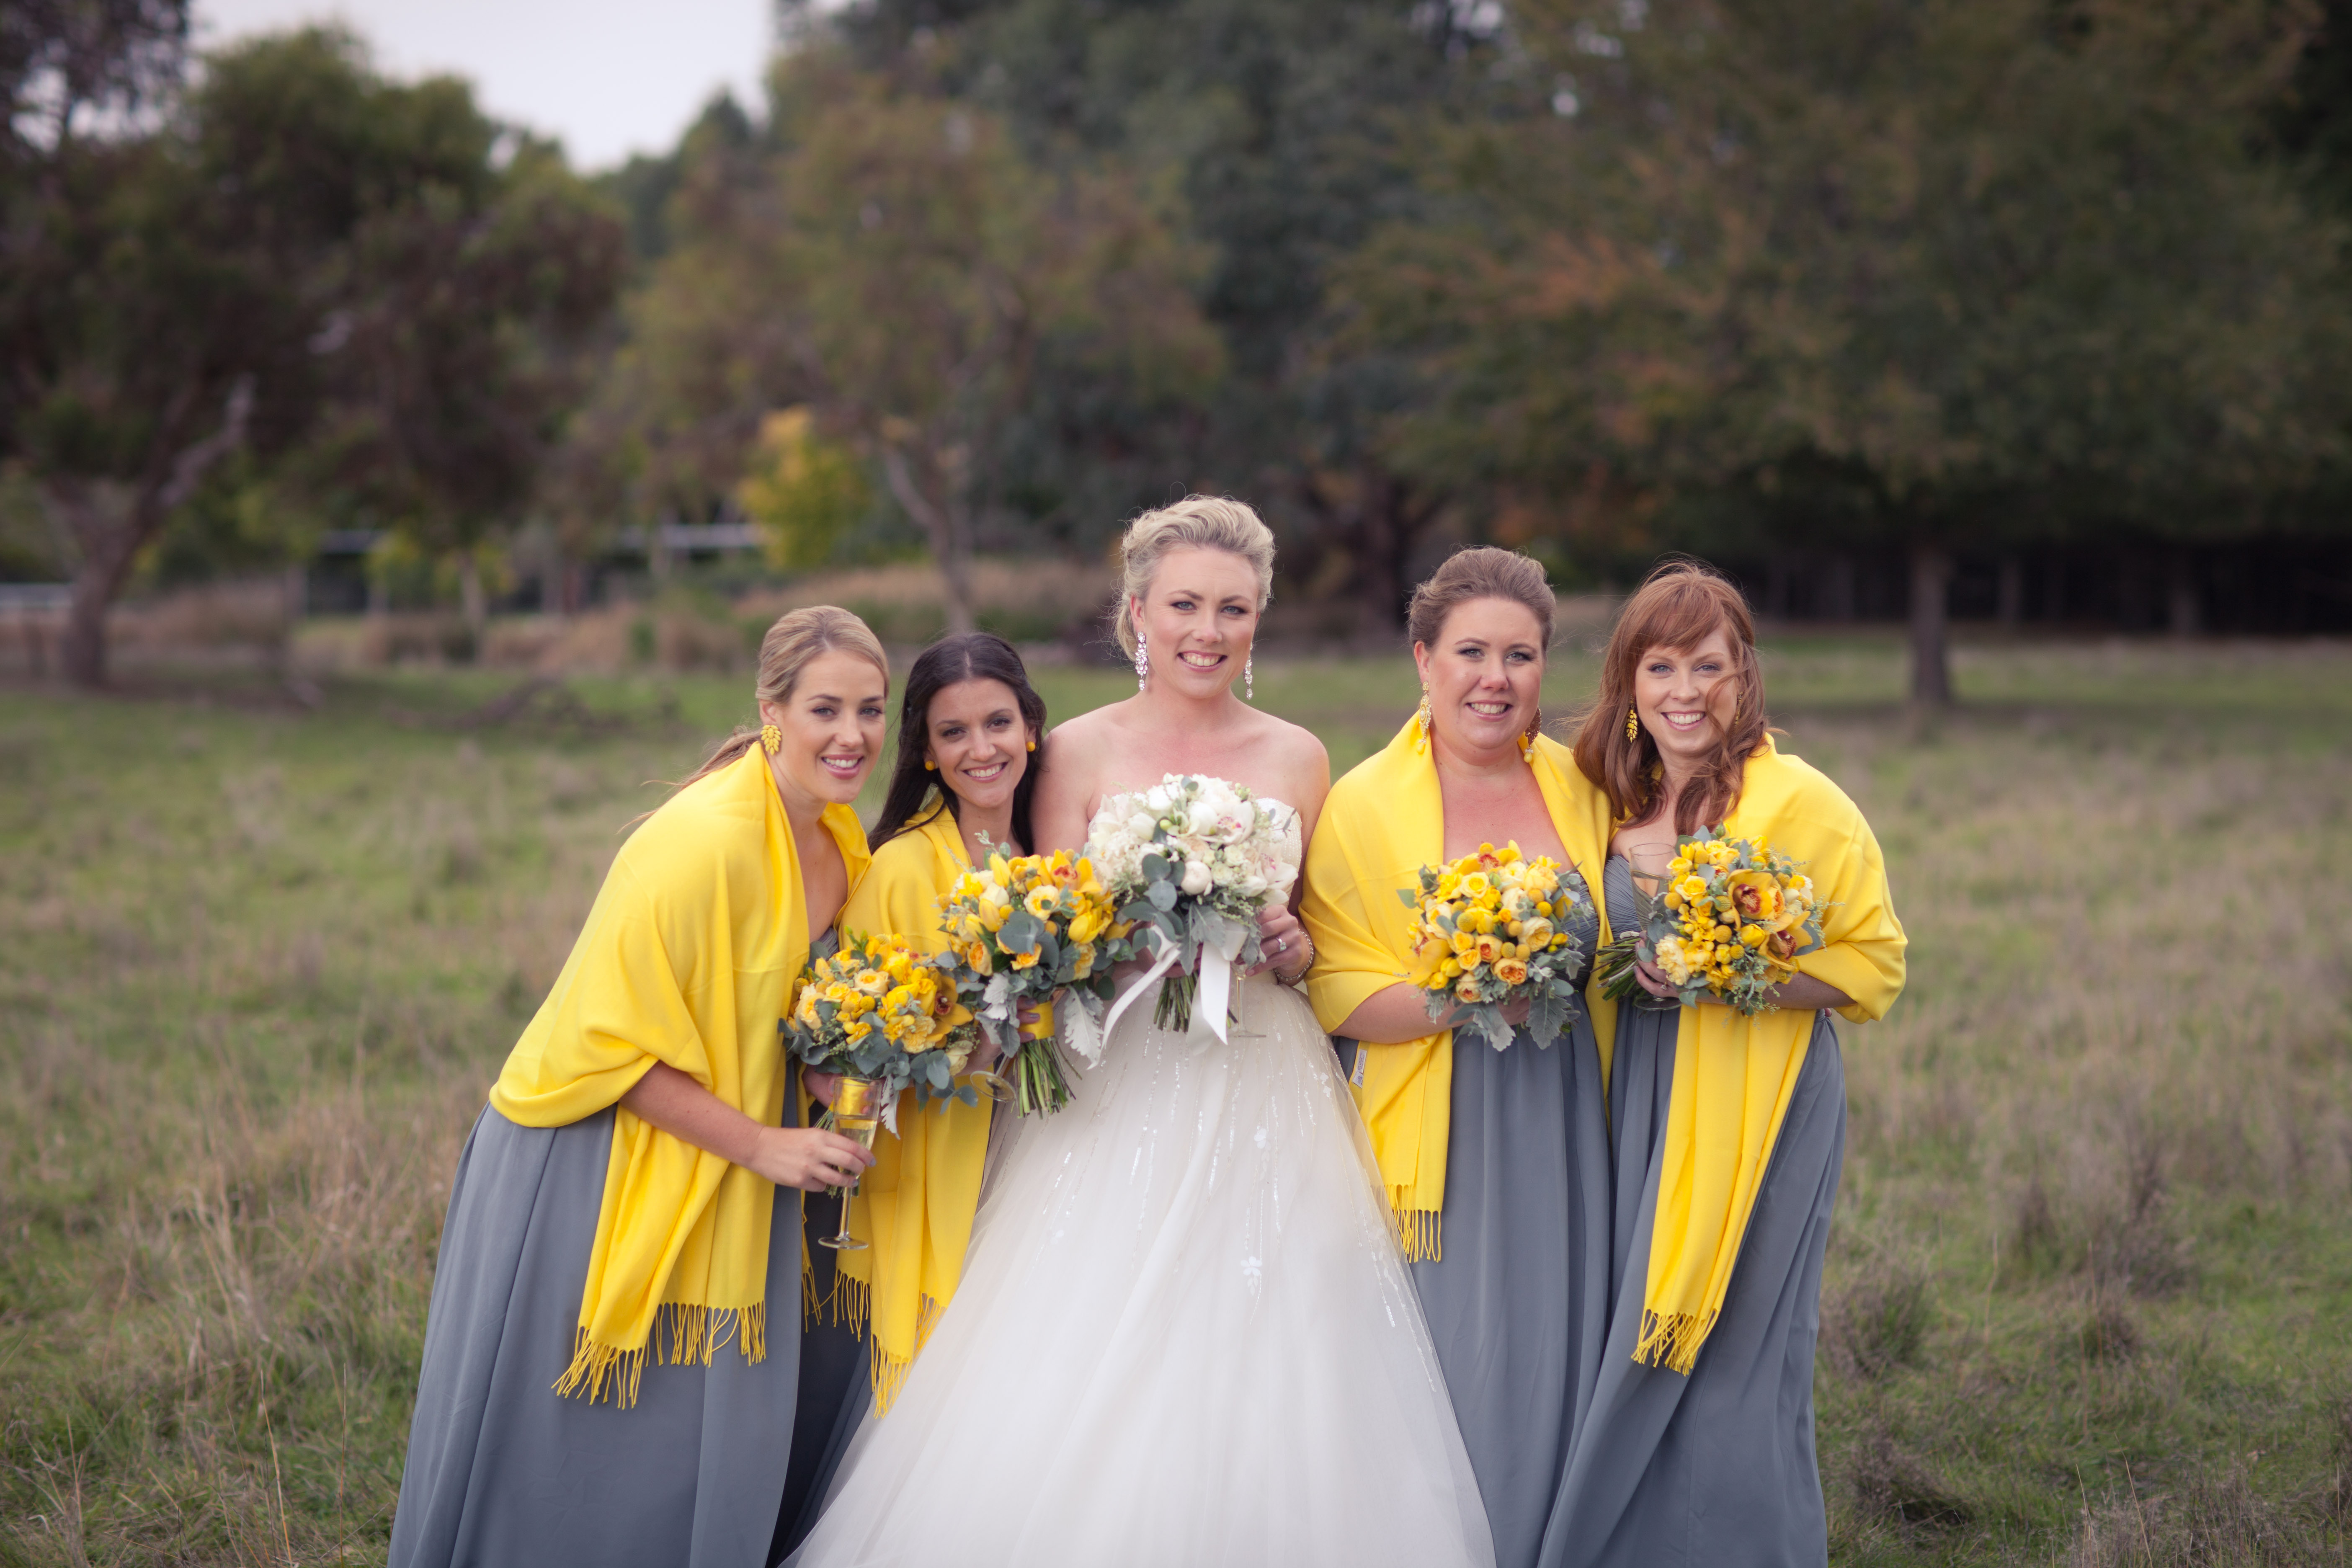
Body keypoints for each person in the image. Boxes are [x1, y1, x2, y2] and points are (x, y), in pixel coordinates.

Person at [787, 498, 1496, 1568]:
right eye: (1184, 606)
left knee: (1285, 1329)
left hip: (1266, 1073)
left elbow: (1310, 944)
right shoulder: (1073, 750)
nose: (1208, 631)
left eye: (1233, 610)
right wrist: (1139, 935)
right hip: (1114, 1074)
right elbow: (1049, 932)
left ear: (1258, 621)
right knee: (1080, 1326)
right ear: (1137, 615)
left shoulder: (1302, 756)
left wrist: (1289, 946)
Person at [389, 607, 890, 1568]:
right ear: (771, 710)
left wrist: (825, 1072)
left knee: (694, 1438)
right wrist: (764, 1144)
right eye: (825, 709)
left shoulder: (837, 839)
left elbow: (772, 1014)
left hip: (730, 1143)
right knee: (584, 1453)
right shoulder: (698, 844)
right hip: (588, 1154)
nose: (854, 735)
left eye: (871, 710)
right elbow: (608, 1051)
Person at [1555, 562, 1907, 1567]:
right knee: (1632, 1333)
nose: (1685, 692)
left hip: (1760, 1104)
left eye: (1707, 666)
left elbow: (1874, 964)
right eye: (1660, 667)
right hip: (1633, 1097)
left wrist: (1725, 975)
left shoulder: (1801, 804)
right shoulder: (1602, 802)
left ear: (1744, 674)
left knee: (1736, 1353)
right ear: (1628, 682)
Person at [1301, 547, 1619, 1568]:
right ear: (1422, 659)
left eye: (1520, 656)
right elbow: (1337, 989)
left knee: (1560, 1339)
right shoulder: (1363, 804)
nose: (1496, 679)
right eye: (1472, 653)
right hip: (1437, 1119)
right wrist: (1471, 994)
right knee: (1456, 1356)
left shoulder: (1587, 789)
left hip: (1568, 1110)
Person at [772, 632, 1046, 1556]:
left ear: (1031, 727)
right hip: (952, 1151)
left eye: (998, 723)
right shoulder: (901, 867)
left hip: (1051, 1144)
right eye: (953, 732)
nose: (982, 749)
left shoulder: (1060, 853)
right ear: (926, 751)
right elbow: (858, 1042)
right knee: (956, 1377)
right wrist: (973, 1040)